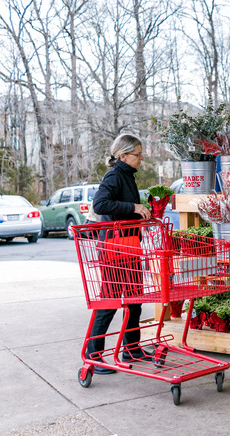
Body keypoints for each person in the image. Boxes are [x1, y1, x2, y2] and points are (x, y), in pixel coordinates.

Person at [86, 133, 151, 375]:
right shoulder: (114, 176)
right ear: (122, 156)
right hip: (114, 250)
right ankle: (94, 356)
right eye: (137, 154)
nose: (141, 158)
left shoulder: (128, 176)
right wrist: (134, 207)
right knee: (109, 303)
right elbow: (100, 205)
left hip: (130, 246)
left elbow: (122, 211)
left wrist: (141, 215)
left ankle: (131, 349)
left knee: (135, 302)